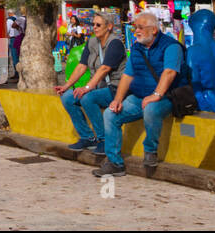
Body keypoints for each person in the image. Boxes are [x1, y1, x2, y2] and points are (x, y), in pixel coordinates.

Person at [94, 10, 183, 177]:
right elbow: (128, 75)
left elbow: (169, 72)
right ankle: (114, 163)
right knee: (110, 114)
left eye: (140, 27)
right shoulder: (136, 48)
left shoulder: (171, 46)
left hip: (166, 97)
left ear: (154, 29)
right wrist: (118, 99)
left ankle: (150, 151)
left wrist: (156, 95)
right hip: (138, 97)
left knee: (151, 109)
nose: (136, 31)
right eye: (135, 28)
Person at [56, 10, 126, 156]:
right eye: (93, 24)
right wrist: (66, 86)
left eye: (98, 25)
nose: (94, 27)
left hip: (114, 87)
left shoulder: (115, 43)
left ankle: (104, 139)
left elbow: (104, 68)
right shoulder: (92, 41)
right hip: (98, 87)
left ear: (109, 26)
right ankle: (87, 137)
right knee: (68, 97)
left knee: (88, 97)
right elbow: (82, 66)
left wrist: (87, 87)